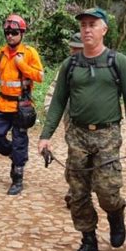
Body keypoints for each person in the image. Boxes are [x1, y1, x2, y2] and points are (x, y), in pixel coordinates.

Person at [38, 7, 126, 251]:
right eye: (83, 25)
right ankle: (89, 242)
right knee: (78, 193)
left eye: (92, 24)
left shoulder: (117, 62)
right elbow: (57, 102)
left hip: (107, 134)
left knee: (108, 190)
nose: (86, 29)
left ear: (104, 30)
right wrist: (45, 136)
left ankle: (116, 215)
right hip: (77, 135)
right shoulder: (71, 64)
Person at [0, 14, 44, 195]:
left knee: (19, 140)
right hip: (2, 105)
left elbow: (40, 76)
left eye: (14, 32)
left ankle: (17, 177)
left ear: (21, 33)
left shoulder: (29, 53)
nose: (10, 36)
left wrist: (22, 65)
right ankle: (14, 155)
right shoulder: (0, 54)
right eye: (7, 32)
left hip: (21, 106)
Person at [43, 32, 84, 209]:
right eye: (72, 48)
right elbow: (54, 92)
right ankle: (74, 191)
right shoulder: (67, 67)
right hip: (72, 120)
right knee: (75, 155)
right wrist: (49, 111)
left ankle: (86, 189)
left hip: (97, 122)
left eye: (78, 49)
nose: (74, 51)